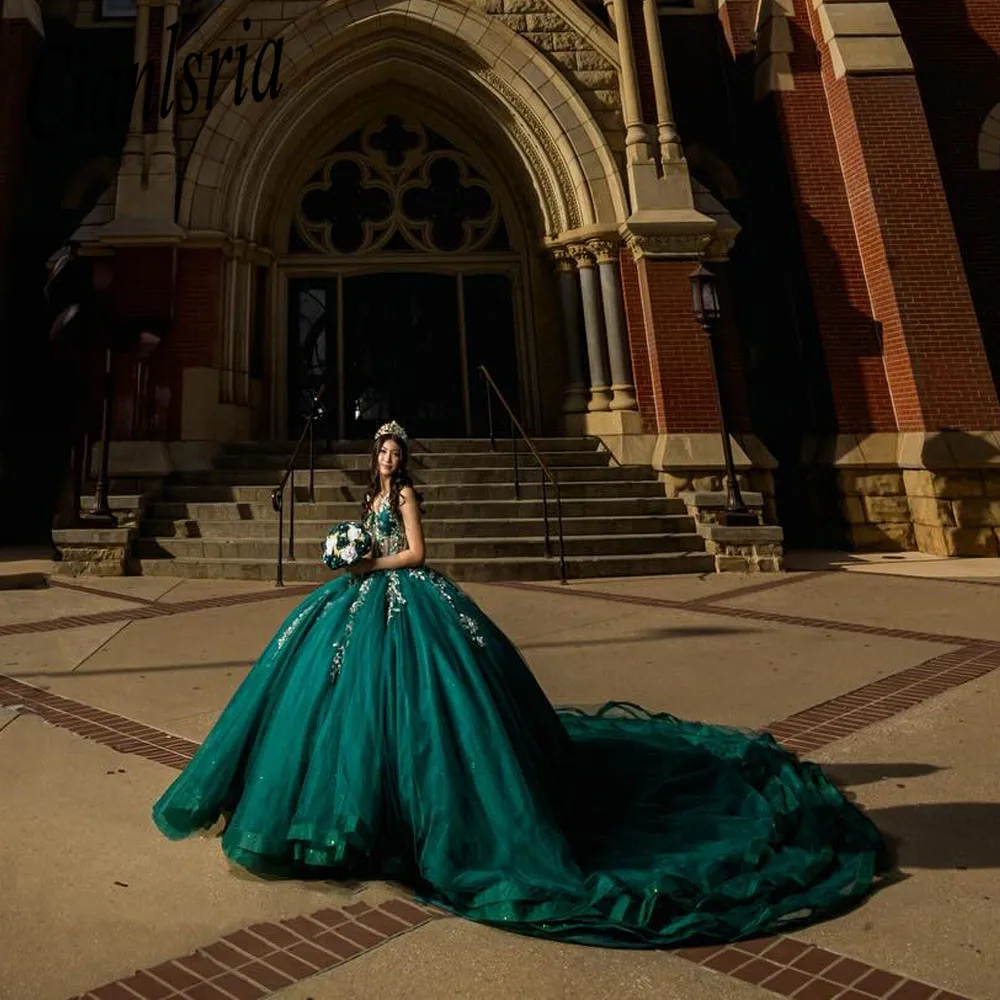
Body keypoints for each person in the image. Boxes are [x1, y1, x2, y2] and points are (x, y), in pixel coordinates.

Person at [152, 420, 891, 948]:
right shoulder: (367, 499)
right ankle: (351, 816)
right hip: (360, 603)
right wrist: (350, 557)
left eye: (392, 449)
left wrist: (369, 565)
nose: (384, 457)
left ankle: (415, 818)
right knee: (336, 708)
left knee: (433, 713)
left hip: (404, 599)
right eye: (378, 447)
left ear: (404, 459)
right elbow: (373, 539)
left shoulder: (405, 499)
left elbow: (417, 552)